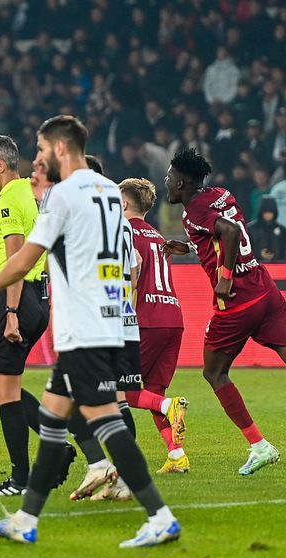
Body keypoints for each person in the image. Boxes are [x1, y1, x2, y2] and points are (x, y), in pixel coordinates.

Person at [0, 115, 179, 547]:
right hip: (107, 316)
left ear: (60, 149)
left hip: (84, 325)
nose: (37, 158)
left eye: (41, 149)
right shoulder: (108, 191)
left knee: (106, 422)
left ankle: (160, 516)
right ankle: (26, 520)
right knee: (52, 420)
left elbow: (26, 257)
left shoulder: (63, 195)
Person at [164, 147, 284, 475]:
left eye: (170, 176)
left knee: (214, 372)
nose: (167, 181)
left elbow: (229, 232)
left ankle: (260, 446)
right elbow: (223, 232)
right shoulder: (220, 194)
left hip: (237, 301)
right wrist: (189, 247)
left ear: (182, 182)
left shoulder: (194, 210)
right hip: (264, 288)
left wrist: (225, 277)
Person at [0, 135, 71, 497]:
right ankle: (55, 447)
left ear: (0, 165)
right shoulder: (29, 195)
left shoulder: (9, 201)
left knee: (5, 387)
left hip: (16, 297)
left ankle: (21, 478)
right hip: (37, 296)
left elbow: (16, 259)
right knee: (0, 383)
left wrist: (11, 311)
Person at [121, 178, 190, 474]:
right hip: (173, 318)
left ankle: (169, 406)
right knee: (153, 391)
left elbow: (132, 278)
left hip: (146, 320)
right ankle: (177, 455)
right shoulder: (158, 236)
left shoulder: (124, 232)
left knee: (117, 390)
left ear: (124, 203)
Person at [246, 196, 286, 262]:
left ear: (274, 213)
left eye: (270, 212)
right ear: (261, 212)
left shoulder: (282, 230)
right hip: (256, 264)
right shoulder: (250, 229)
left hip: (278, 264)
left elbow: (284, 250)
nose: (268, 215)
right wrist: (259, 254)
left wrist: (275, 256)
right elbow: (246, 249)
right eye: (265, 212)